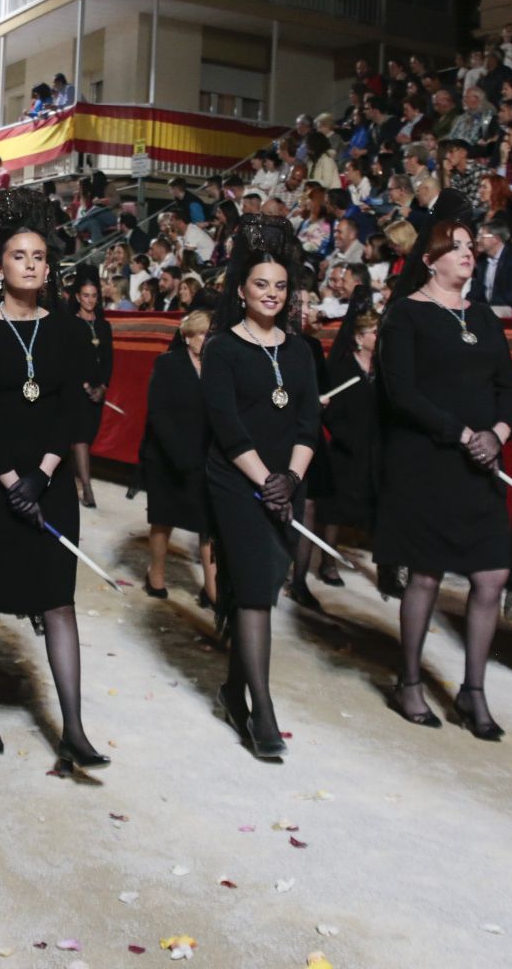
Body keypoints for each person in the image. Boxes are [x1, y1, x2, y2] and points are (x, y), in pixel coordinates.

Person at [0, 188, 108, 769]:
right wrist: (10, 479)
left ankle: (73, 727)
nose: (32, 265)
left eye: (40, 257)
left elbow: (71, 411)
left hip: (47, 482)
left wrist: (40, 477)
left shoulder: (65, 329)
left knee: (58, 600)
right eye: (20, 256)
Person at [376, 221, 512, 740]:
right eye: (454, 247)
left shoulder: (483, 315)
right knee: (427, 575)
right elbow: (403, 393)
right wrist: (462, 434)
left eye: (470, 246)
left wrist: (498, 434)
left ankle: (472, 691)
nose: (467, 253)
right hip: (428, 462)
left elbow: (507, 386)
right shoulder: (405, 316)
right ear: (429, 259)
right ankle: (408, 681)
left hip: (481, 461)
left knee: (491, 576)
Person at [199, 216, 320, 761]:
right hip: (235, 482)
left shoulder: (299, 351)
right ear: (242, 290)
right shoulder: (223, 348)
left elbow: (308, 424)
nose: (271, 294)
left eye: (280, 286)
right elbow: (227, 427)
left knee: (264, 583)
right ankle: (261, 710)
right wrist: (265, 480)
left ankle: (230, 689)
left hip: (283, 485)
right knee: (252, 592)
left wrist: (290, 479)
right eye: (260, 285)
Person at [141, 309, 214, 603]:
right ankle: (155, 574)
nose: (206, 340)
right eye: (202, 335)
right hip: (167, 457)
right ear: (187, 337)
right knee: (163, 519)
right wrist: (180, 454)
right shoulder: (168, 363)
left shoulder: (217, 367)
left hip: (205, 458)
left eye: (210, 335)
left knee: (209, 524)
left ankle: (212, 588)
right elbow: (158, 412)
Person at [317, 298, 380, 582]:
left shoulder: (382, 369)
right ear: (358, 337)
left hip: (375, 448)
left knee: (380, 506)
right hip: (346, 448)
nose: (379, 337)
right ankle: (327, 562)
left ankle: (386, 568)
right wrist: (348, 437)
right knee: (334, 509)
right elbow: (330, 413)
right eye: (375, 332)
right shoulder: (341, 368)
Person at [64, 264, 113, 509]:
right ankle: (87, 487)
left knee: (87, 436)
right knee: (81, 437)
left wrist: (102, 386)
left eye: (94, 296)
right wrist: (84, 386)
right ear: (77, 297)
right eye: (85, 295)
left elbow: (109, 359)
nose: (90, 300)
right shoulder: (70, 324)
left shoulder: (105, 326)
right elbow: (68, 360)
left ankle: (74, 478)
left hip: (98, 390)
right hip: (76, 391)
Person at [470, 219, 512, 314]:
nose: (477, 240)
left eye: (481, 236)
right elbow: (476, 291)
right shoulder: (482, 261)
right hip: (490, 308)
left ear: (496, 239)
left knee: (490, 313)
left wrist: (487, 307)